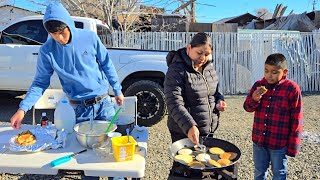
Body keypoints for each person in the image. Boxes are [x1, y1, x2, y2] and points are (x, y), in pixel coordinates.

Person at [10, 2, 124, 130]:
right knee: (81, 147)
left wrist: (117, 90)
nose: (60, 38)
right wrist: (22, 109)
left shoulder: (90, 38)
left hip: (104, 105)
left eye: (62, 32)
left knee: (109, 144)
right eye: (54, 34)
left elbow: (106, 63)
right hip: (79, 109)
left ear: (69, 25)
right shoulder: (47, 51)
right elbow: (39, 83)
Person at [243, 53, 303, 180]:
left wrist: (293, 146)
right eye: (266, 71)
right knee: (259, 171)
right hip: (259, 141)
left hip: (279, 143)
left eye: (274, 72)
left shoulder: (292, 89)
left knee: (279, 173)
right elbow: (247, 108)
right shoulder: (258, 85)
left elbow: (296, 119)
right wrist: (254, 99)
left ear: (284, 72)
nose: (269, 75)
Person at [164, 32, 227, 145]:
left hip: (207, 129)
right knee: (184, 161)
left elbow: (215, 92)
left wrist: (220, 100)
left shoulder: (209, 68)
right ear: (189, 48)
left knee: (205, 161)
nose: (203, 58)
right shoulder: (176, 69)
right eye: (199, 53)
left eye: (207, 54)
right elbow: (173, 102)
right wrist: (189, 126)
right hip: (183, 129)